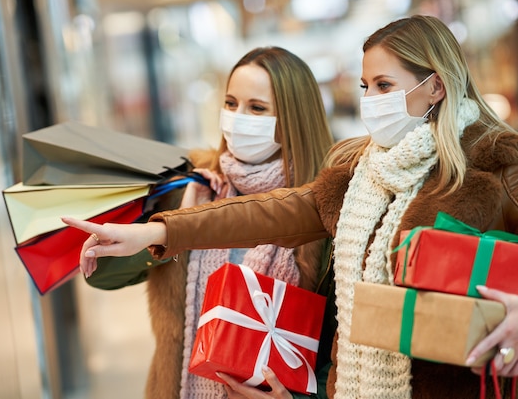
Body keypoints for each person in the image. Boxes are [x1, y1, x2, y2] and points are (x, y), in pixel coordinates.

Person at [63, 15, 518, 399]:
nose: (370, 100)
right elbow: (267, 213)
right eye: (365, 87)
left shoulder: (493, 164)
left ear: (436, 86)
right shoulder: (357, 168)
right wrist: (154, 232)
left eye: (384, 85)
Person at [79, 46, 335, 399]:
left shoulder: (323, 209)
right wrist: (178, 223)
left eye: (256, 108)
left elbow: (342, 348)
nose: (237, 117)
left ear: (294, 118)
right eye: (230, 104)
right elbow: (102, 277)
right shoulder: (192, 182)